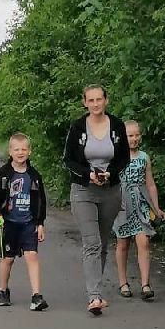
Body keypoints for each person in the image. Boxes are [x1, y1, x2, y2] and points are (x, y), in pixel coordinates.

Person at [63, 84, 129, 315]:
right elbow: (68, 159)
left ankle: (97, 290)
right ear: (85, 103)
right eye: (90, 100)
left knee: (102, 243)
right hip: (84, 191)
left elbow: (124, 158)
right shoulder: (78, 127)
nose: (95, 104)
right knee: (92, 243)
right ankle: (94, 297)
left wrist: (110, 173)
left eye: (99, 99)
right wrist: (88, 174)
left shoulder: (117, 126)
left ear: (106, 100)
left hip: (110, 191)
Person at [0, 133, 48, 311]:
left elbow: (41, 201)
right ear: (10, 151)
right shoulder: (3, 174)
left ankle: (36, 296)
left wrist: (40, 223)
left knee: (32, 255)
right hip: (9, 223)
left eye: (24, 149)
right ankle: (3, 290)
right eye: (16, 149)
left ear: (29, 151)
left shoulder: (34, 176)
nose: (20, 153)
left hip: (29, 223)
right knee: (8, 259)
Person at [114, 120, 165, 300]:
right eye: (130, 135)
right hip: (122, 203)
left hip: (141, 202)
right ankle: (123, 282)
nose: (134, 139)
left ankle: (145, 284)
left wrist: (156, 207)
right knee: (123, 243)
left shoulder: (144, 157)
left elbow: (150, 183)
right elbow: (111, 182)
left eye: (137, 135)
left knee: (143, 241)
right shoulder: (116, 157)